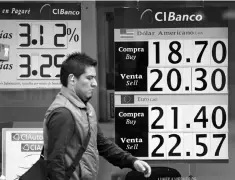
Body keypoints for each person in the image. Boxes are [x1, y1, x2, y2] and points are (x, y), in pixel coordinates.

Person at [42, 52, 151, 180]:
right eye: (89, 78)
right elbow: (55, 163)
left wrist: (131, 161)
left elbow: (101, 143)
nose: (95, 83)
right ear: (72, 79)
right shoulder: (63, 113)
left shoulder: (85, 108)